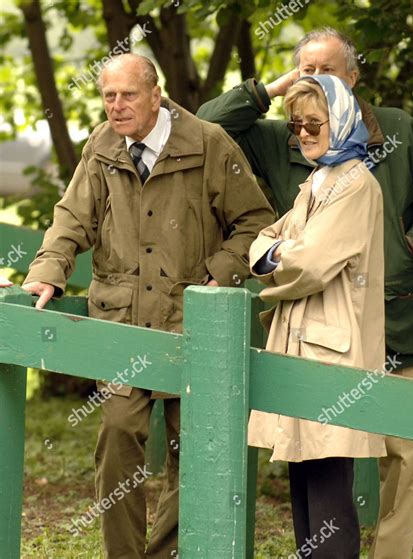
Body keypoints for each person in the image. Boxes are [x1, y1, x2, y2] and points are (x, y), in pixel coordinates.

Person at [197, 27, 413, 559]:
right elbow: (206, 129)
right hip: (322, 337)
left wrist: (407, 255)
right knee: (315, 472)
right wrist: (273, 92)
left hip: (401, 321)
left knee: (398, 458)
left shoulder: (388, 139)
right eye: (306, 72)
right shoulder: (302, 155)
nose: (302, 129)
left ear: (352, 78)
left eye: (327, 72)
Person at [21, 53, 274, 558]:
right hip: (119, 319)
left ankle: (163, 553)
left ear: (155, 95)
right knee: (117, 436)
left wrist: (220, 270)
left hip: (193, 320)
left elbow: (255, 221)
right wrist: (47, 271)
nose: (116, 106)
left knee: (193, 449)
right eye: (108, 96)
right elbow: (73, 217)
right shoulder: (102, 143)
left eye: (128, 95)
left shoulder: (208, 142)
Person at [249, 74, 386, 559]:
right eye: (296, 124)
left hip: (332, 358)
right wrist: (278, 251)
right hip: (300, 351)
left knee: (330, 496)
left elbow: (309, 263)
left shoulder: (356, 184)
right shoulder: (315, 183)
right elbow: (261, 242)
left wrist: (280, 253)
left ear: (342, 121)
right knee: (303, 490)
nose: (303, 133)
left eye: (314, 123)